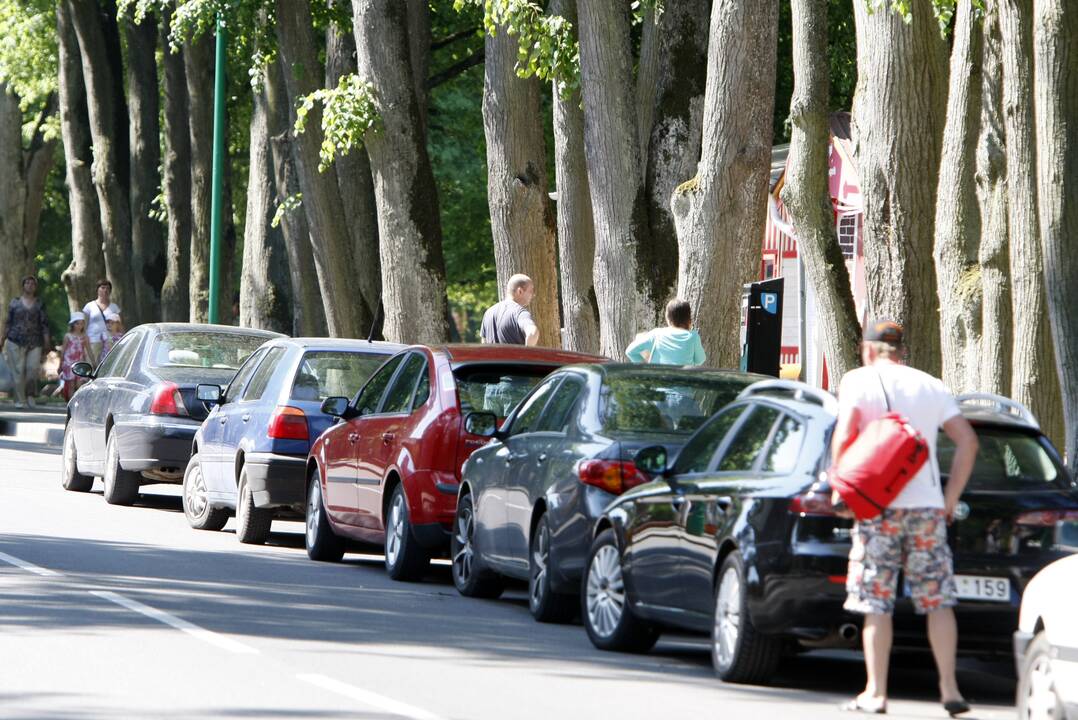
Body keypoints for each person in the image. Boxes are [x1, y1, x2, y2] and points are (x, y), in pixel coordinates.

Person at [831, 319, 979, 716]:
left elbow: (845, 433)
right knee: (938, 600)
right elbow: (967, 440)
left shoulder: (857, 381)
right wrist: (949, 498)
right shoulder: (931, 384)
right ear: (901, 351)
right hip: (927, 508)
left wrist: (838, 487)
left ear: (868, 349)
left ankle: (876, 693)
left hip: (877, 508)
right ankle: (949, 689)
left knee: (876, 602)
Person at [0, 276, 52, 408]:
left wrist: (47, 340)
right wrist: (2, 338)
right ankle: (20, 400)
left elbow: (44, 324)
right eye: (27, 283)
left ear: (35, 287)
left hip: (35, 342)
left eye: (32, 283)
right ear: (23, 286)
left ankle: (30, 395)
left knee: (32, 369)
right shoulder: (14, 302)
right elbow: (8, 323)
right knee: (18, 371)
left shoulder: (39, 303)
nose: (30, 285)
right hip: (14, 340)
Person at [624, 298, 706, 366]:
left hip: (659, 383)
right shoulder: (693, 337)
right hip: (684, 384)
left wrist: (646, 369)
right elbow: (700, 360)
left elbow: (630, 351)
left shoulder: (656, 334)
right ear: (688, 319)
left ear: (668, 318)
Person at [480, 274, 539, 346]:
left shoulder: (488, 313)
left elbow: (484, 343)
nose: (533, 295)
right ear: (520, 291)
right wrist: (527, 355)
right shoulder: (520, 313)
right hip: (515, 357)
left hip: (491, 357)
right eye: (531, 291)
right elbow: (532, 332)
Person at [82, 279, 120, 364]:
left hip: (110, 342)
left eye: (107, 288)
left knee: (109, 366)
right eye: (102, 288)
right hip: (93, 341)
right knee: (92, 367)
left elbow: (119, 326)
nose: (105, 290)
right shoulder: (89, 306)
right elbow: (84, 326)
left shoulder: (114, 307)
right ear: (97, 289)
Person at [59, 311, 92, 402]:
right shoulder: (68, 336)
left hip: (80, 363)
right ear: (73, 324)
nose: (79, 326)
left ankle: (78, 403)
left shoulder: (84, 337)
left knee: (80, 384)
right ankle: (70, 404)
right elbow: (63, 351)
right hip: (68, 363)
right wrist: (60, 364)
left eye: (82, 323)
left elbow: (89, 350)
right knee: (71, 385)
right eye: (77, 323)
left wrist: (93, 362)